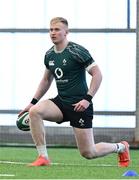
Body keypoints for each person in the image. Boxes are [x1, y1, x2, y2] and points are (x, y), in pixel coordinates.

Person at [19, 17, 130, 167]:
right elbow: (46, 80)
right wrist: (32, 103)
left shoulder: (77, 51)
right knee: (35, 111)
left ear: (66, 32)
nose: (53, 33)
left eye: (57, 29)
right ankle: (43, 157)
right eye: (51, 29)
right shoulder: (49, 55)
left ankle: (121, 147)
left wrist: (87, 99)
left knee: (88, 152)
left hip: (80, 105)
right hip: (61, 103)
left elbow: (97, 74)